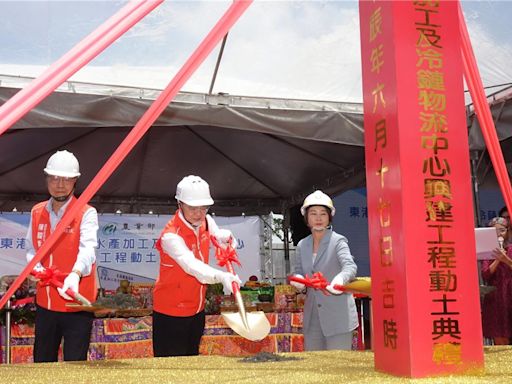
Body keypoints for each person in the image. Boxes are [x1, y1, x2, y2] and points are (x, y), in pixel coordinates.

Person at [152, 175, 242, 357]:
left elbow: (218, 237)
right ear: (180, 204)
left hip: (197, 309)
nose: (199, 213)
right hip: (171, 313)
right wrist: (222, 277)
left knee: (192, 362)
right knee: (170, 370)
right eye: (193, 208)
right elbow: (192, 266)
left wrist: (227, 239)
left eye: (204, 208)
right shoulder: (171, 236)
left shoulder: (206, 221)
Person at [26, 150, 98, 362]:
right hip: (46, 303)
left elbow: (88, 249)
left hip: (76, 303)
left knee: (75, 364)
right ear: (47, 179)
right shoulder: (37, 211)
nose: (60, 184)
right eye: (55, 178)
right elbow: (31, 249)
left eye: (66, 179)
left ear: (75, 181)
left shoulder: (86, 212)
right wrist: (35, 267)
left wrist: (75, 274)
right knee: (42, 361)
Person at [290, 190, 358, 351]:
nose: (318, 218)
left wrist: (340, 279)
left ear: (329, 218)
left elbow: (350, 266)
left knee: (337, 365)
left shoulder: (338, 241)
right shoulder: (302, 245)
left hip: (338, 315)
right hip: (313, 316)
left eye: (323, 214)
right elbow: (298, 270)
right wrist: (298, 280)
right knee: (314, 365)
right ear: (307, 218)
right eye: (313, 213)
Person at [481, 216, 512, 345]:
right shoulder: (488, 252)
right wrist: (498, 259)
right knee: (499, 335)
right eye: (494, 231)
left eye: (502, 230)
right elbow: (486, 275)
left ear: (508, 231)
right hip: (496, 299)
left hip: (509, 294)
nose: (499, 234)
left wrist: (506, 259)